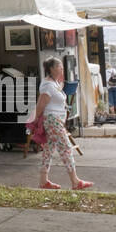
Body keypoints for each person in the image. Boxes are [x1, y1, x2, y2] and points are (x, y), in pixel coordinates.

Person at [32, 56, 92, 190]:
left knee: (48, 150)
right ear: (52, 69)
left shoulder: (53, 83)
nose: (62, 69)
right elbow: (41, 104)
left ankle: (43, 181)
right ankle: (75, 181)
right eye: (59, 66)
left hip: (55, 120)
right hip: (53, 120)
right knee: (66, 149)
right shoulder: (48, 85)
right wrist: (34, 121)